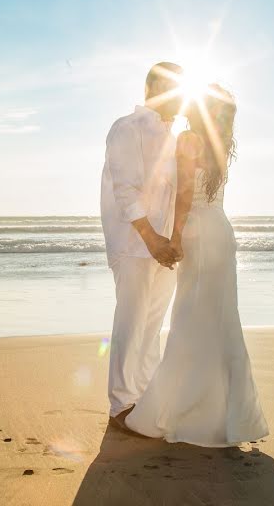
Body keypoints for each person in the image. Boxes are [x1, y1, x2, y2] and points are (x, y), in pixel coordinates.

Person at [124, 84, 269, 447]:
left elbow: (186, 195)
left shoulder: (190, 140)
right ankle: (225, 418)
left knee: (190, 320)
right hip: (221, 230)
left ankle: (182, 413)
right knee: (220, 321)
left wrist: (174, 237)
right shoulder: (222, 143)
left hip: (199, 232)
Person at [100, 61, 185, 426]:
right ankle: (121, 405)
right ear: (153, 89)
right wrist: (151, 239)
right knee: (131, 322)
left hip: (163, 249)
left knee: (152, 326)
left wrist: (172, 241)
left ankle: (145, 398)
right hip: (135, 245)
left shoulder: (172, 136)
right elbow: (126, 190)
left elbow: (174, 193)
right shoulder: (126, 127)